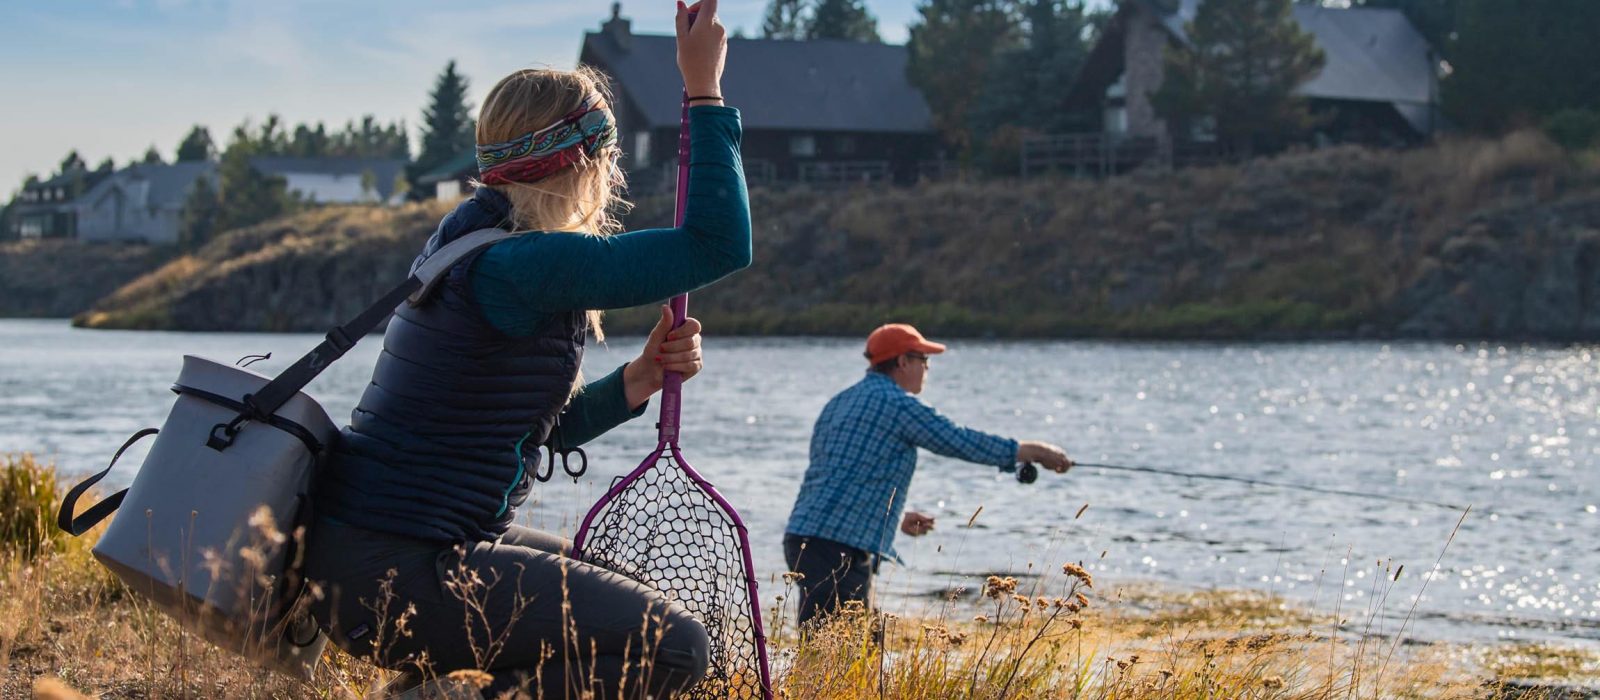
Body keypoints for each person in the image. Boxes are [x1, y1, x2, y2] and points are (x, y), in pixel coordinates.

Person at [301, 2, 745, 697]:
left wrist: (640, 376)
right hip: (399, 569)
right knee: (677, 648)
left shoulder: (471, 236)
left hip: (371, 562)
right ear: (584, 160)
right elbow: (718, 245)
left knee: (629, 601)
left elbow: (527, 431)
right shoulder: (527, 262)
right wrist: (703, 89)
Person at [782, 323, 1074, 630]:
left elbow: (839, 475)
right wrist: (1031, 451)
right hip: (836, 547)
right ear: (902, 362)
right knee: (843, 652)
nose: (927, 368)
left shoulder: (840, 402)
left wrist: (893, 517)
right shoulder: (897, 404)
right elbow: (958, 440)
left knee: (844, 645)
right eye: (924, 360)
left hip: (804, 539)